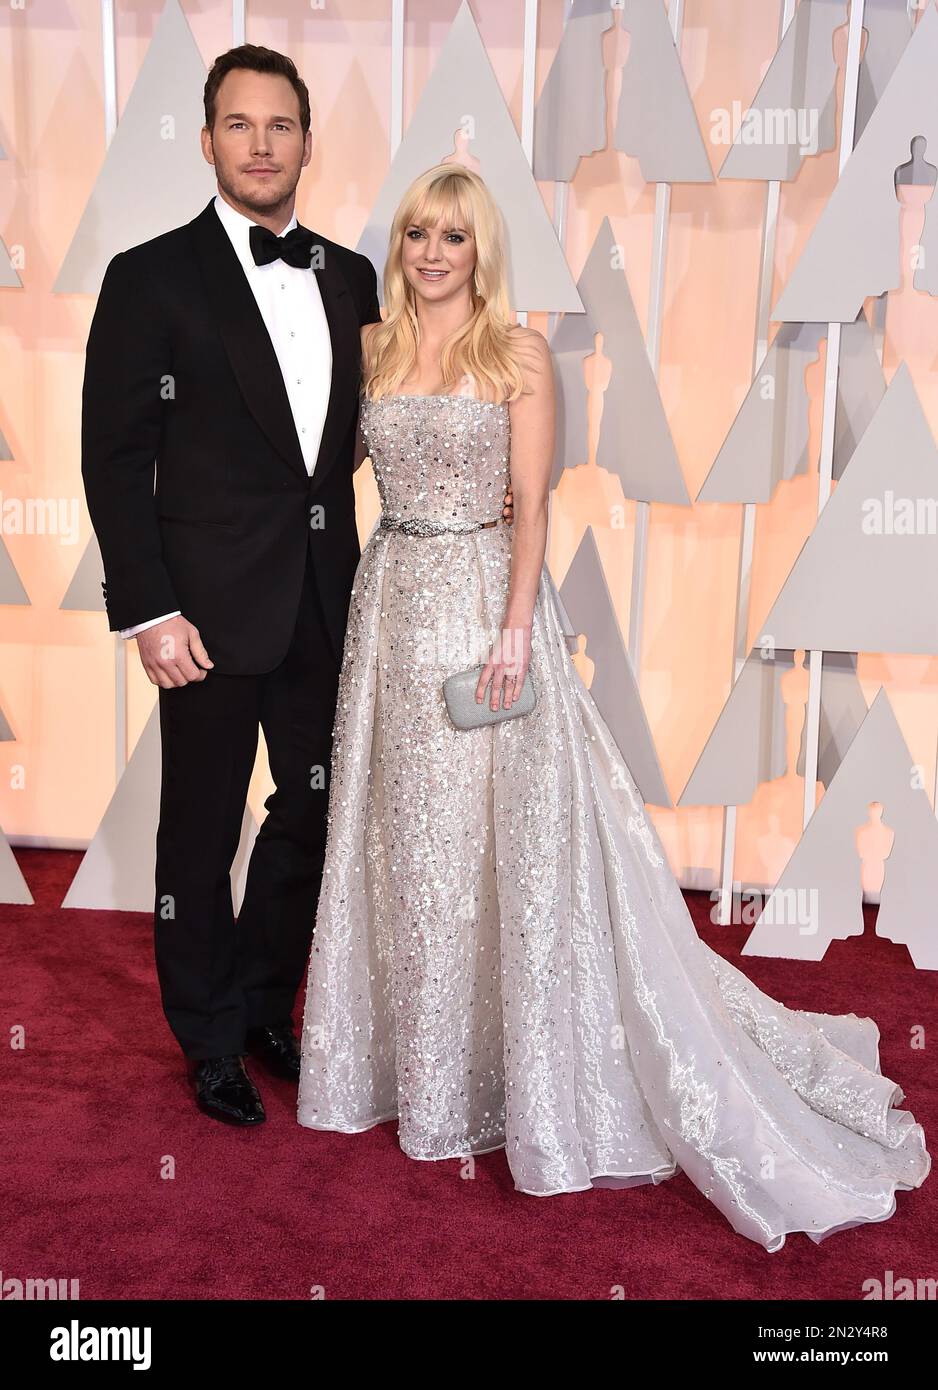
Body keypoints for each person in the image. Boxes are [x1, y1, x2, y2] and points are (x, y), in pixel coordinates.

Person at [297, 161, 931, 1251]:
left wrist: (507, 632)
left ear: (480, 249)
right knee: (410, 850)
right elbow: (321, 468)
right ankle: (428, 1070)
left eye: (453, 235)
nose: (432, 252)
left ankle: (510, 1079)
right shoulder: (371, 349)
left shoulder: (519, 355)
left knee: (500, 850)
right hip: (390, 610)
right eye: (416, 234)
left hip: (485, 615)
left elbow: (532, 504)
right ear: (398, 246)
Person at [81, 45, 514, 1127]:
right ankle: (211, 1037)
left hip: (335, 600)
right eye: (240, 125)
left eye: (280, 126)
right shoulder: (149, 276)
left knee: (317, 809)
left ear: (307, 142)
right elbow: (111, 454)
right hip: (204, 614)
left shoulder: (348, 275)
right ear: (209, 139)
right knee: (199, 830)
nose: (262, 144)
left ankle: (270, 1003)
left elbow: (364, 431)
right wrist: (149, 607)